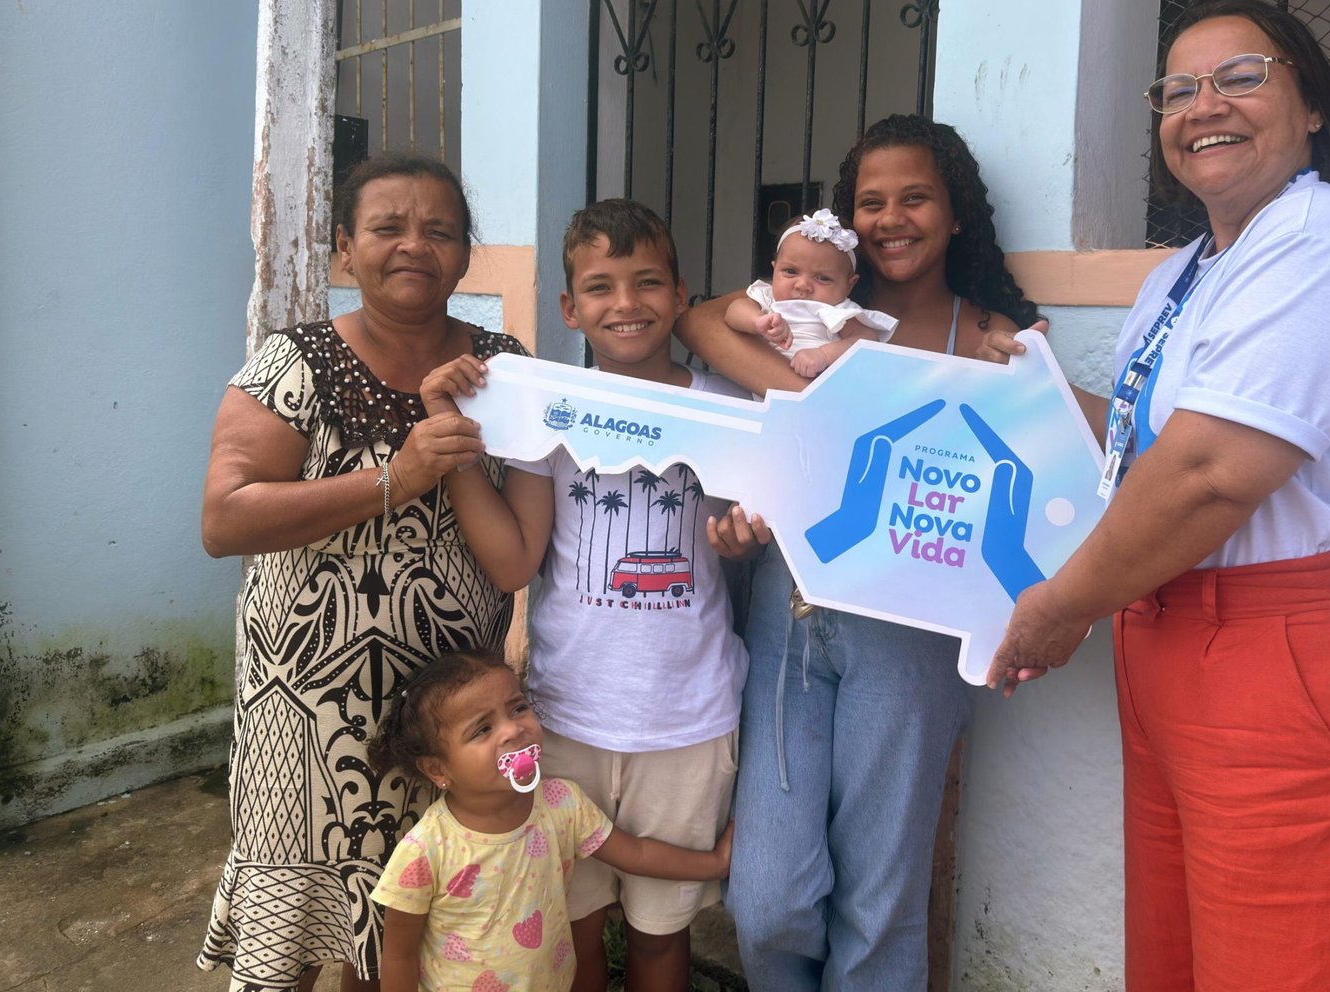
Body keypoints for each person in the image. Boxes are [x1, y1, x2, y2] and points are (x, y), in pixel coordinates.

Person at [983, 0, 1330, 991]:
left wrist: (1061, 607)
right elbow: (1152, 446)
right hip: (1177, 642)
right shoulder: (1188, 272)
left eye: (1241, 77)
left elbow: (1209, 475)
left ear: (1311, 105)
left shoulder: (1328, 239)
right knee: (1180, 962)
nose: (1204, 106)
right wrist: (1019, 395)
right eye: (1178, 90)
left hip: (1285, 655)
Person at [676, 114, 1039, 989]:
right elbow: (697, 322)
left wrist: (1012, 380)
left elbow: (1024, 464)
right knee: (766, 901)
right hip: (787, 613)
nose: (891, 219)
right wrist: (815, 393)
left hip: (910, 632)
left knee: (879, 902)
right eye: (871, 202)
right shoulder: (801, 308)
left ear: (956, 212)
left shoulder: (987, 337)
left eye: (917, 198)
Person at [196, 154, 531, 992]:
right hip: (306, 714)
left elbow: (521, 544)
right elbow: (224, 518)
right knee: (291, 932)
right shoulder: (295, 362)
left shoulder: (506, 370)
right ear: (345, 248)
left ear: (465, 254)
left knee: (404, 934)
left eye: (439, 230)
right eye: (387, 227)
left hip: (447, 715)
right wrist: (397, 477)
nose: (414, 244)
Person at [418, 199, 755, 992]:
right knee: (569, 934)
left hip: (688, 721)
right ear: (570, 308)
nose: (625, 303)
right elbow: (514, 563)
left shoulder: (730, 408)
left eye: (648, 282)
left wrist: (748, 543)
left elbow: (758, 533)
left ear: (680, 295)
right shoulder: (548, 411)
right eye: (600, 287)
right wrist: (452, 440)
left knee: (662, 936)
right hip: (565, 718)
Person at [366, 649, 733, 992]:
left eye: (517, 708)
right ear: (437, 769)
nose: (513, 729)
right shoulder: (425, 851)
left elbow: (635, 853)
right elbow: (399, 955)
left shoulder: (562, 804)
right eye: (482, 729)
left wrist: (714, 864)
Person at [725, 207, 897, 378]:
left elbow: (867, 340)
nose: (802, 285)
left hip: (817, 387)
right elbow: (733, 311)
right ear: (774, 268)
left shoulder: (838, 310)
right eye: (790, 271)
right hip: (759, 380)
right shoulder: (767, 298)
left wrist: (824, 355)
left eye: (823, 278)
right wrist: (756, 320)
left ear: (849, 285)